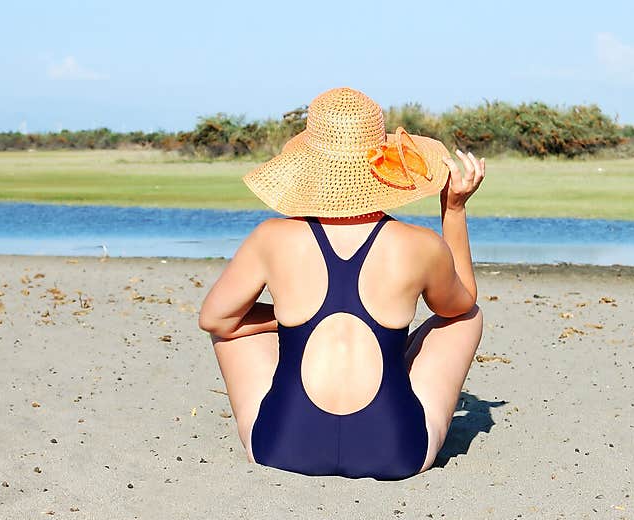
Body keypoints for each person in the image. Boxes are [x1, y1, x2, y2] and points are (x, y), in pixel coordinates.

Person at [198, 87, 484, 480]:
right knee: (468, 317)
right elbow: (461, 303)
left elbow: (214, 320)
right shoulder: (419, 245)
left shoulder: (272, 237)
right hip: (396, 452)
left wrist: (290, 320)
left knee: (230, 328)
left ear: (309, 165)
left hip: (280, 448)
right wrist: (453, 209)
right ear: (384, 172)